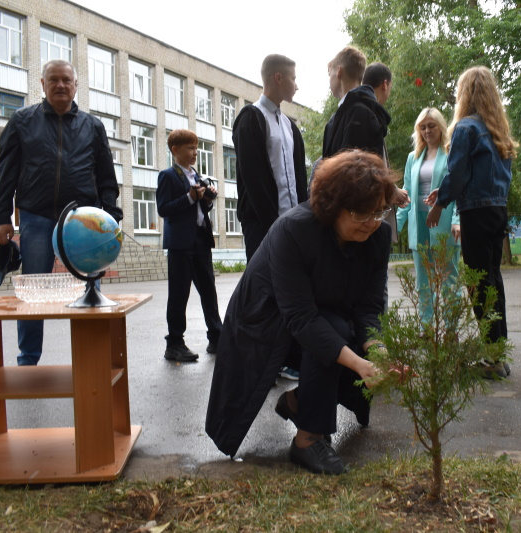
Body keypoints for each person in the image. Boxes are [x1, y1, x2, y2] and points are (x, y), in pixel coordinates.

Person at [206, 150, 396, 475]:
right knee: (334, 336)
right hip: (267, 325)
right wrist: (358, 362)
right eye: (361, 214)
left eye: (380, 212)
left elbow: (369, 305)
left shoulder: (377, 236)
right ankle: (307, 440)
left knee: (344, 337)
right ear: (333, 206)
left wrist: (377, 351)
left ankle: (298, 403)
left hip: (323, 320)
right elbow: (301, 318)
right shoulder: (294, 230)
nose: (372, 223)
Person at [0, 59, 122, 366]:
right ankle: (28, 359)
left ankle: (92, 358)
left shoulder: (93, 126)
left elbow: (106, 175)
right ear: (42, 84)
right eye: (54, 80)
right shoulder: (22, 121)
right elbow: (6, 171)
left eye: (67, 80)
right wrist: (2, 218)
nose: (61, 85)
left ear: (76, 85)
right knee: (34, 289)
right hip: (36, 217)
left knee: (91, 286)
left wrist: (112, 215)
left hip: (83, 221)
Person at [426, 66, 518, 379]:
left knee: (479, 283)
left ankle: (492, 359)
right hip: (497, 211)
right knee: (493, 280)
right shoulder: (497, 130)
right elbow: (477, 175)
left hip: (476, 214)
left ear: (466, 94)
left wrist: (440, 202)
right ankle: (498, 353)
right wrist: (449, 189)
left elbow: (459, 173)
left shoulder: (465, 128)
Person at [232, 54, 308, 264]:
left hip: (293, 226)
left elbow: (299, 179)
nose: (297, 86)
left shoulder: (290, 126)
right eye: (293, 78)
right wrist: (274, 227)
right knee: (264, 291)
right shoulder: (250, 118)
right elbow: (253, 179)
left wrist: (302, 220)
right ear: (278, 78)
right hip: (262, 229)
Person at [156, 129, 222, 362]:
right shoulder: (168, 176)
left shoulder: (196, 175)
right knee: (179, 294)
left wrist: (206, 200)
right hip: (180, 245)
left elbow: (199, 210)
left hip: (201, 240)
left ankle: (216, 337)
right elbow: (164, 209)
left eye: (196, 147)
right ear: (175, 150)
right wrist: (190, 198)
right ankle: (174, 343)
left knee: (208, 290)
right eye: (190, 148)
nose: (195, 152)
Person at [396, 108, 460, 323]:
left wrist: (457, 220)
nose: (427, 130)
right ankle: (426, 328)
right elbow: (406, 195)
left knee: (449, 279)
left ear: (441, 127)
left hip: (444, 222)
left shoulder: (451, 152)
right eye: (422, 127)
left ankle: (451, 331)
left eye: (431, 125)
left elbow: (459, 189)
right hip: (419, 224)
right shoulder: (412, 158)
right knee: (423, 282)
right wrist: (394, 226)